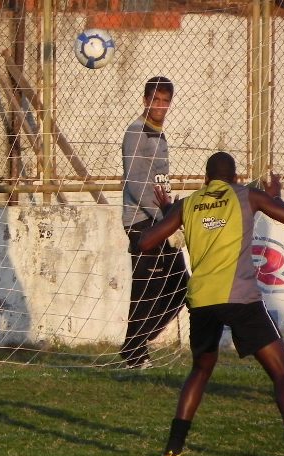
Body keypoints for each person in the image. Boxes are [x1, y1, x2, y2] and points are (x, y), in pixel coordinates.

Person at [138, 151, 284, 456]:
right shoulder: (246, 195)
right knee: (281, 370)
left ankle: (173, 448)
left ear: (205, 178)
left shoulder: (189, 204)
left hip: (201, 301)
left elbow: (146, 242)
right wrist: (275, 199)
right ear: (234, 177)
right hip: (239, 298)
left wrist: (170, 212)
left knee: (201, 369)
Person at [121, 76, 188, 368]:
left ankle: (134, 343)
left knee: (180, 286)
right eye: (155, 100)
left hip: (161, 219)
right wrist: (166, 219)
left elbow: (159, 184)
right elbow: (136, 184)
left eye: (165, 101)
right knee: (146, 290)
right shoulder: (136, 133)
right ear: (145, 100)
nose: (160, 106)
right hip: (142, 222)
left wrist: (170, 217)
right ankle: (135, 353)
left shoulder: (159, 134)